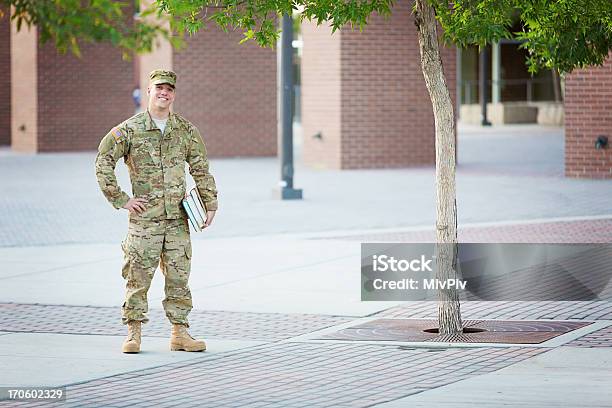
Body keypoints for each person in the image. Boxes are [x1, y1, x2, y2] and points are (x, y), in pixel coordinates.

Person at [95, 69, 218, 354]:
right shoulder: (129, 130)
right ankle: (133, 334)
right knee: (137, 277)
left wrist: (210, 203)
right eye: (159, 88)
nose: (164, 93)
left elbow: (200, 168)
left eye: (169, 89)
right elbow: (103, 161)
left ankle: (180, 333)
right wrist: (121, 198)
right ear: (148, 91)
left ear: (174, 94)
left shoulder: (186, 131)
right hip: (144, 221)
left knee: (179, 278)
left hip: (178, 220)